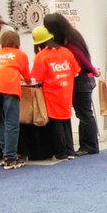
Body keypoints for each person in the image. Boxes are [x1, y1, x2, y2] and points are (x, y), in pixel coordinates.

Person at [43, 13, 100, 156]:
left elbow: (81, 60)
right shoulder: (72, 36)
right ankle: (88, 145)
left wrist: (93, 70)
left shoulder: (70, 43)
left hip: (81, 80)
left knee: (84, 114)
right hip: (85, 79)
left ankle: (90, 146)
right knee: (84, 113)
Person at [30, 25, 80, 160]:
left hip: (51, 93)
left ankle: (61, 152)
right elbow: (76, 72)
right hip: (66, 91)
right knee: (66, 120)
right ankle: (70, 150)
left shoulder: (41, 56)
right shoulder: (66, 52)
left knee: (56, 122)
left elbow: (37, 78)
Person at [0, 30, 30, 169]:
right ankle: (11, 157)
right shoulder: (20, 54)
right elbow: (28, 77)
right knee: (11, 122)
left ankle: (6, 152)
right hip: (10, 86)